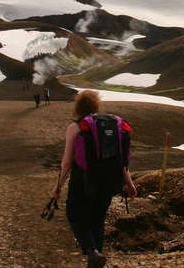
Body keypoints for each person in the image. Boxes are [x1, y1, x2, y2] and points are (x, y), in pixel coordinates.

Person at [52, 90, 137, 268]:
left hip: (82, 180)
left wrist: (58, 186)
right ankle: (96, 259)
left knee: (74, 215)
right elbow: (122, 161)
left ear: (78, 106)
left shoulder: (75, 127)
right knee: (97, 220)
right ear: (97, 105)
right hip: (109, 180)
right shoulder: (112, 125)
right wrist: (129, 183)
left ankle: (92, 252)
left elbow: (67, 162)